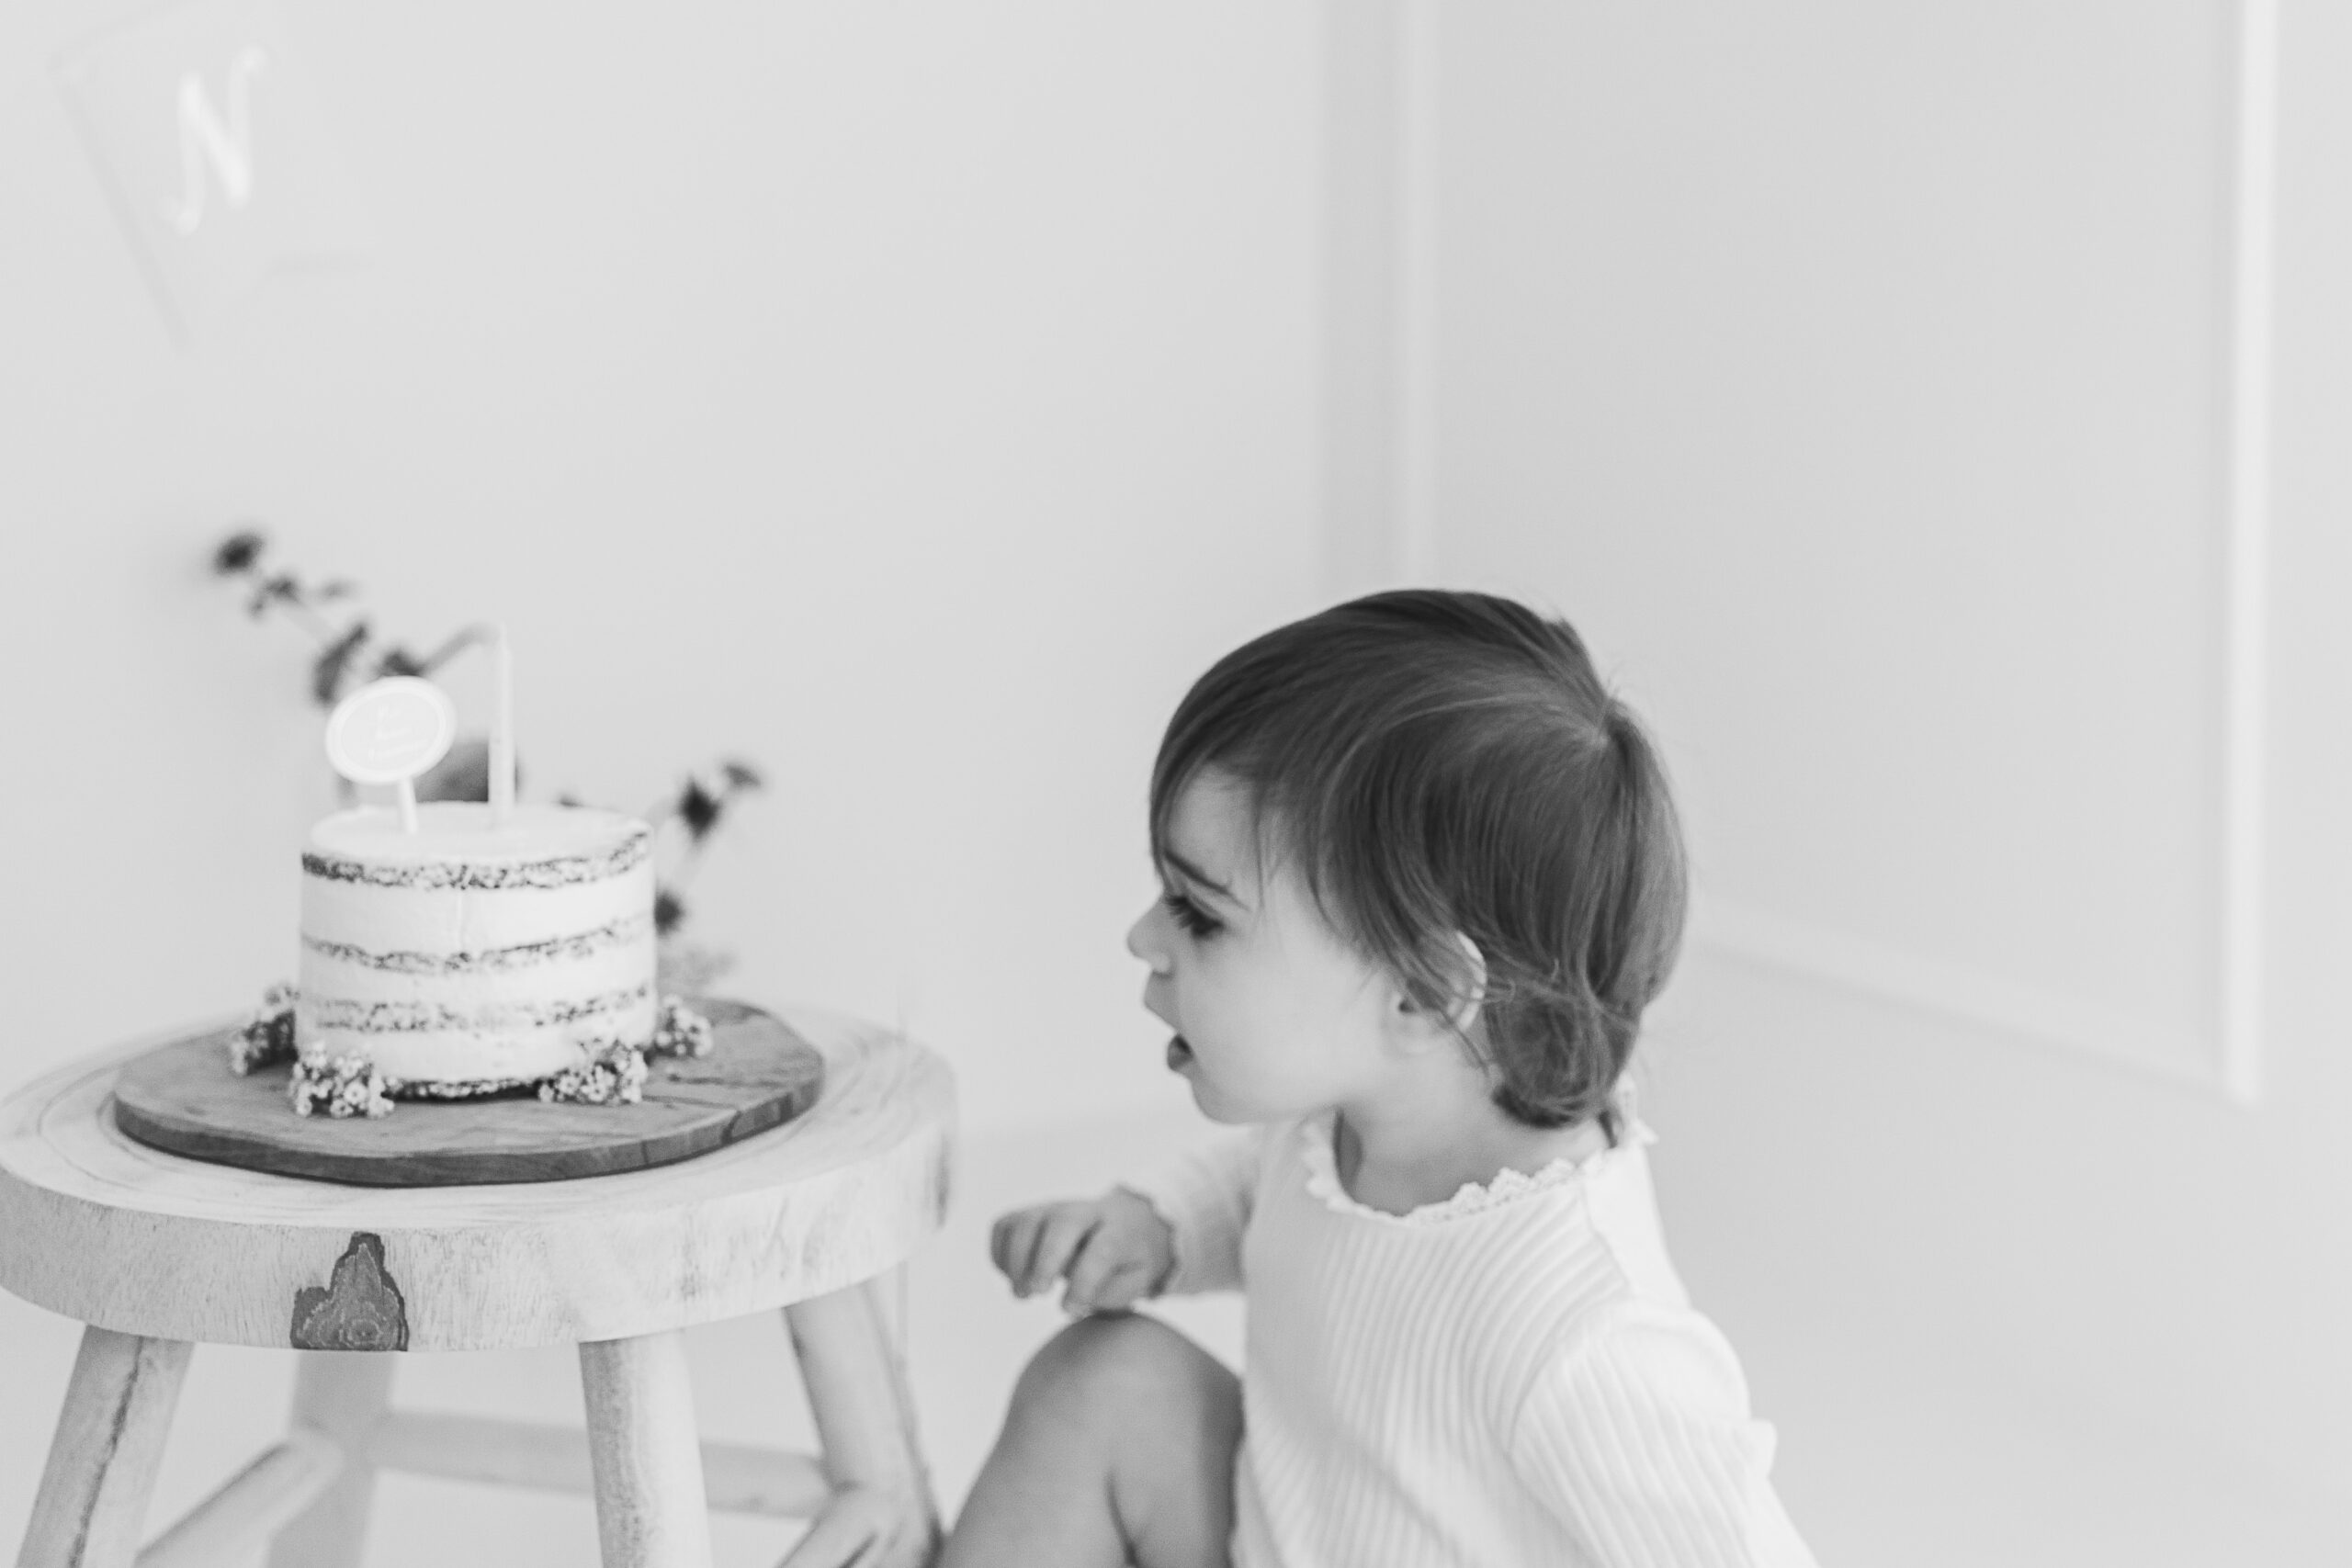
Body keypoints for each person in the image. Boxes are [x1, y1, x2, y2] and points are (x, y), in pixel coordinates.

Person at [940, 590, 1817, 1567]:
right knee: (1100, 1383)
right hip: (1277, 1534)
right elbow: (1273, 1192)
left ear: (1423, 989)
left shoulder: (1579, 1333)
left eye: (1199, 914)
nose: (1143, 939)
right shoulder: (1350, 1120)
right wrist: (1163, 1225)